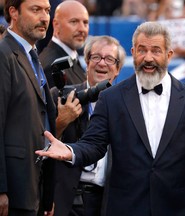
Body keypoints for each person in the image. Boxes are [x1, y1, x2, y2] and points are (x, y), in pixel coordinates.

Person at [36, 21, 185, 216]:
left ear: (169, 54)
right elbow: (93, 144)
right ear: (133, 52)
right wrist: (70, 150)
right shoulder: (112, 98)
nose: (149, 57)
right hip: (126, 207)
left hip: (176, 206)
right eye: (142, 50)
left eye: (156, 50)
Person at [50, 35, 126, 216]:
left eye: (109, 59)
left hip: (107, 201)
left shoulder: (127, 105)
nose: (102, 63)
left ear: (118, 69)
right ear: (87, 62)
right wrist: (61, 122)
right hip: (65, 200)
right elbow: (39, 144)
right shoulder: (61, 96)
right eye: (96, 57)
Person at [0, 0, 56, 216]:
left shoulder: (31, 56)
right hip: (13, 192)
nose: (44, 17)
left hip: (33, 189)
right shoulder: (4, 55)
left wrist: (47, 194)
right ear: (13, 12)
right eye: (36, 10)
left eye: (47, 10)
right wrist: (1, 188)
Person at [39, 0, 89, 88]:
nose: (82, 29)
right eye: (74, 22)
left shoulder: (71, 57)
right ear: (56, 25)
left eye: (85, 23)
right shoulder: (52, 67)